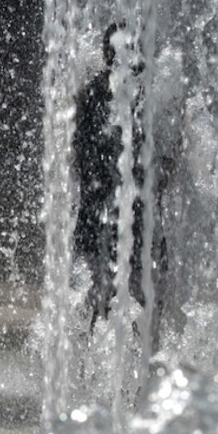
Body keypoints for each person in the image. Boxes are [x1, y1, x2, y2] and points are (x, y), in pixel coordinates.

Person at [73, 22, 169, 340]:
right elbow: (87, 164)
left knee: (112, 299)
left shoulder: (141, 99)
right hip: (108, 218)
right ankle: (118, 374)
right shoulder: (96, 97)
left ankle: (115, 372)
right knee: (113, 299)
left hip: (125, 219)